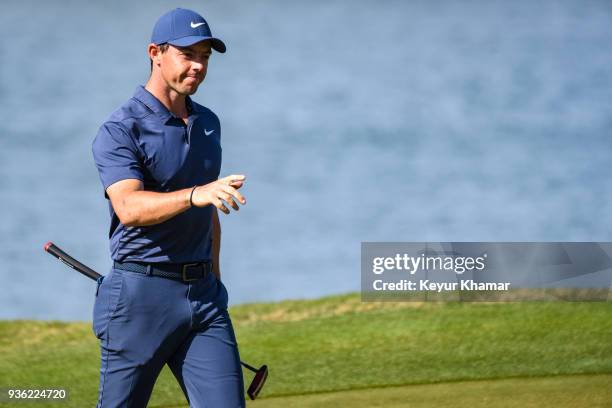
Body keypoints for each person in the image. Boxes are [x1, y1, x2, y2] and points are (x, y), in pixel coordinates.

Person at [91, 8, 246, 408]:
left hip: (204, 298)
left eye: (205, 57)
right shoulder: (121, 128)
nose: (198, 66)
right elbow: (128, 207)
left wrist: (215, 276)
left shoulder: (208, 123)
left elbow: (209, 208)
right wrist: (196, 194)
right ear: (155, 52)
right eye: (187, 54)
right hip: (141, 299)